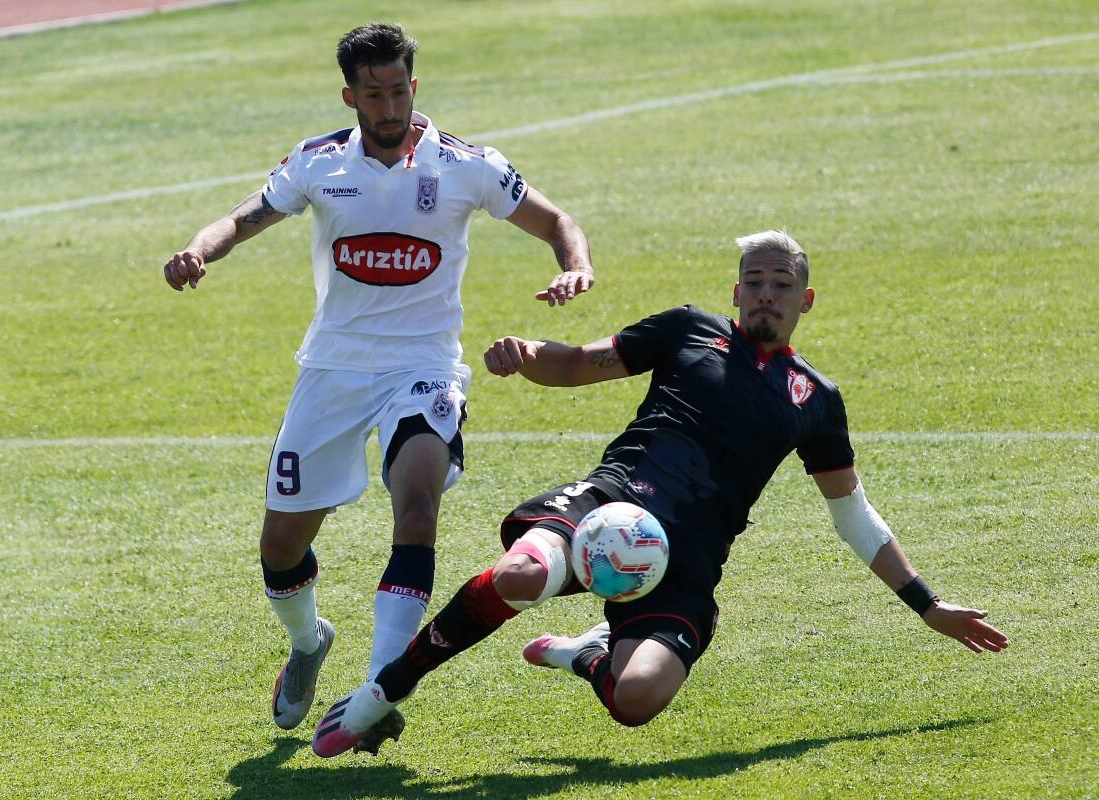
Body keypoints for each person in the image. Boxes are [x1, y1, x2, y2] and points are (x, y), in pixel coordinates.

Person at [310, 229, 1009, 757]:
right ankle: (386, 690)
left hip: (689, 561)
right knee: (521, 573)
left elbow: (854, 517)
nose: (767, 295)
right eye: (755, 282)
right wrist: (527, 353)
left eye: (782, 285)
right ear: (736, 292)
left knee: (638, 699)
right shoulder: (687, 330)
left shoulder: (815, 399)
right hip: (610, 499)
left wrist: (928, 606)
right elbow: (581, 364)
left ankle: (585, 652)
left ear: (805, 299)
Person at [161, 22, 594, 751]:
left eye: (399, 90)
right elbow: (241, 217)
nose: (389, 106)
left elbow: (555, 219)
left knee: (416, 502)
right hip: (332, 369)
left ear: (414, 86)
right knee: (279, 551)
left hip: (422, 367)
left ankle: (376, 687)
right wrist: (199, 252)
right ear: (350, 95)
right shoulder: (318, 163)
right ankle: (308, 642)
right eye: (374, 94)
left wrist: (573, 264)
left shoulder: (466, 164)